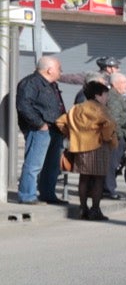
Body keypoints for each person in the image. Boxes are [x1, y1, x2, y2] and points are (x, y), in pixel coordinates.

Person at [54, 79, 119, 221]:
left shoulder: (77, 108)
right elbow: (109, 124)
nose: (107, 98)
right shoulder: (100, 109)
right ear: (97, 96)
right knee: (98, 179)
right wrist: (106, 137)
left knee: (83, 178)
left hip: (81, 147)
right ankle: (95, 209)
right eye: (105, 95)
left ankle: (83, 208)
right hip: (98, 147)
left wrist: (72, 134)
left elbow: (60, 121)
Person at [15, 55, 68, 206]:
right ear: (49, 70)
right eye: (59, 68)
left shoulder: (52, 85)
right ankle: (27, 195)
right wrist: (39, 124)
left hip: (55, 129)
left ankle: (48, 194)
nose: (61, 71)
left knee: (52, 166)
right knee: (34, 164)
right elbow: (23, 105)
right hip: (39, 130)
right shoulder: (30, 83)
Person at [101, 72, 126, 200]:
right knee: (111, 163)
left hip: (117, 135)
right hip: (115, 136)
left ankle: (107, 188)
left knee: (112, 163)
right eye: (125, 82)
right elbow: (114, 119)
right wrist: (120, 135)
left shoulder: (118, 96)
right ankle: (108, 189)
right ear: (115, 84)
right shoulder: (113, 97)